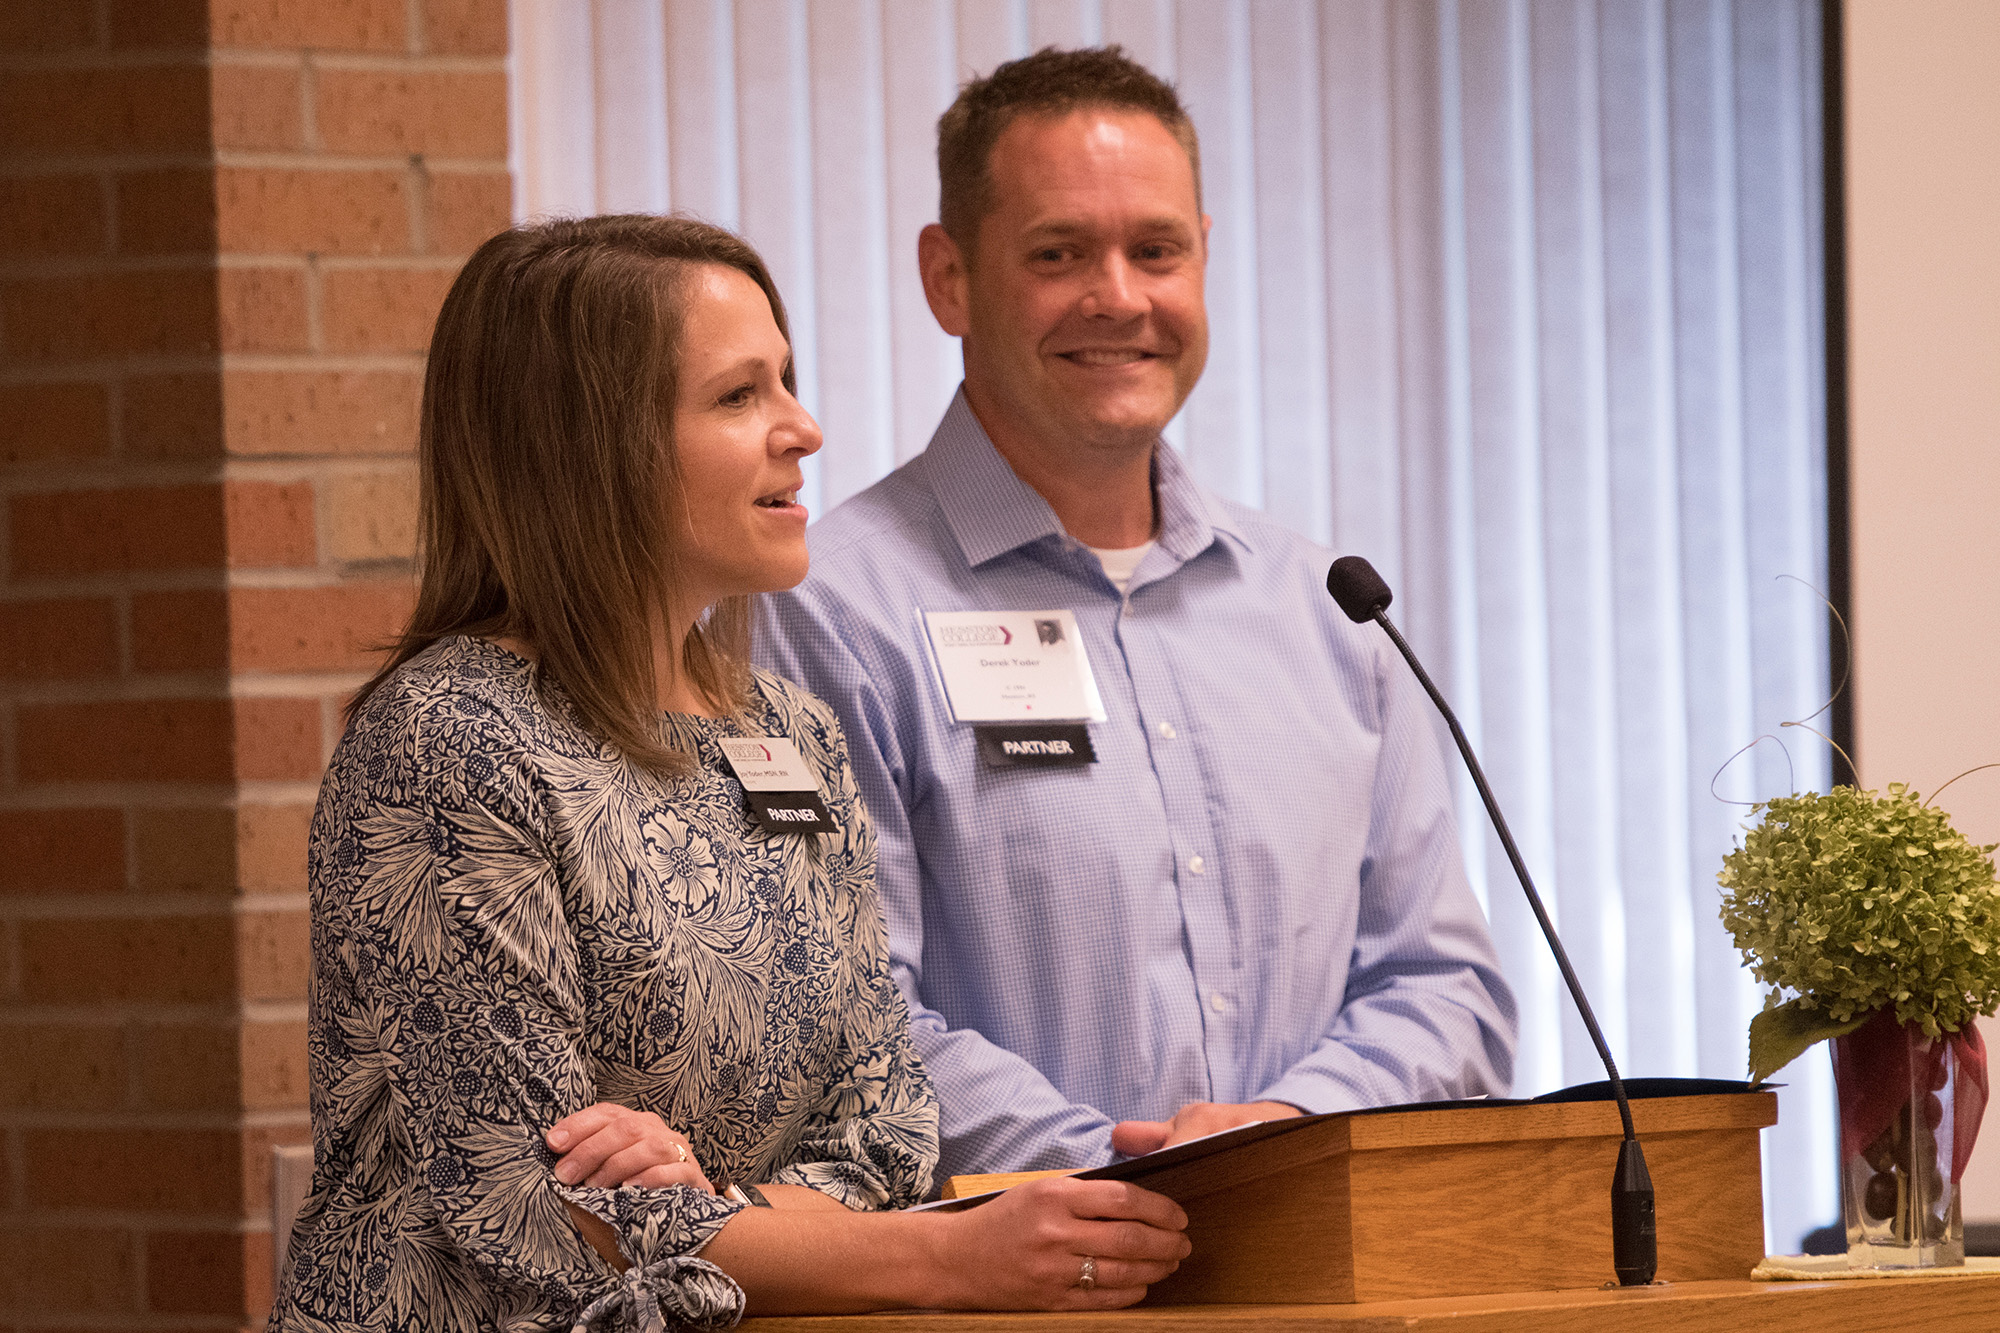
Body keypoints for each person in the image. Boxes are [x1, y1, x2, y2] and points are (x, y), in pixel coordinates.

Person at [271, 214, 1191, 1332]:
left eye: (787, 382)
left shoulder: (789, 729)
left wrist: (705, 1205)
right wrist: (940, 1262)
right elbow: (533, 1207)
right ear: (588, 443)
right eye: (737, 396)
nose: (802, 429)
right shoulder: (450, 737)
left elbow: (886, 1131)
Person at [756, 48, 1519, 1186]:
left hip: (1324, 1267)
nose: (1118, 297)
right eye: (1058, 253)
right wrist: (1135, 1175)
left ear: (1202, 255)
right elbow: (833, 1016)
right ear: (948, 277)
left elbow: (1443, 987)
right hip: (1005, 1288)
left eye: (1154, 251)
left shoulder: (1330, 612)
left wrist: (1286, 1131)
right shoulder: (822, 611)